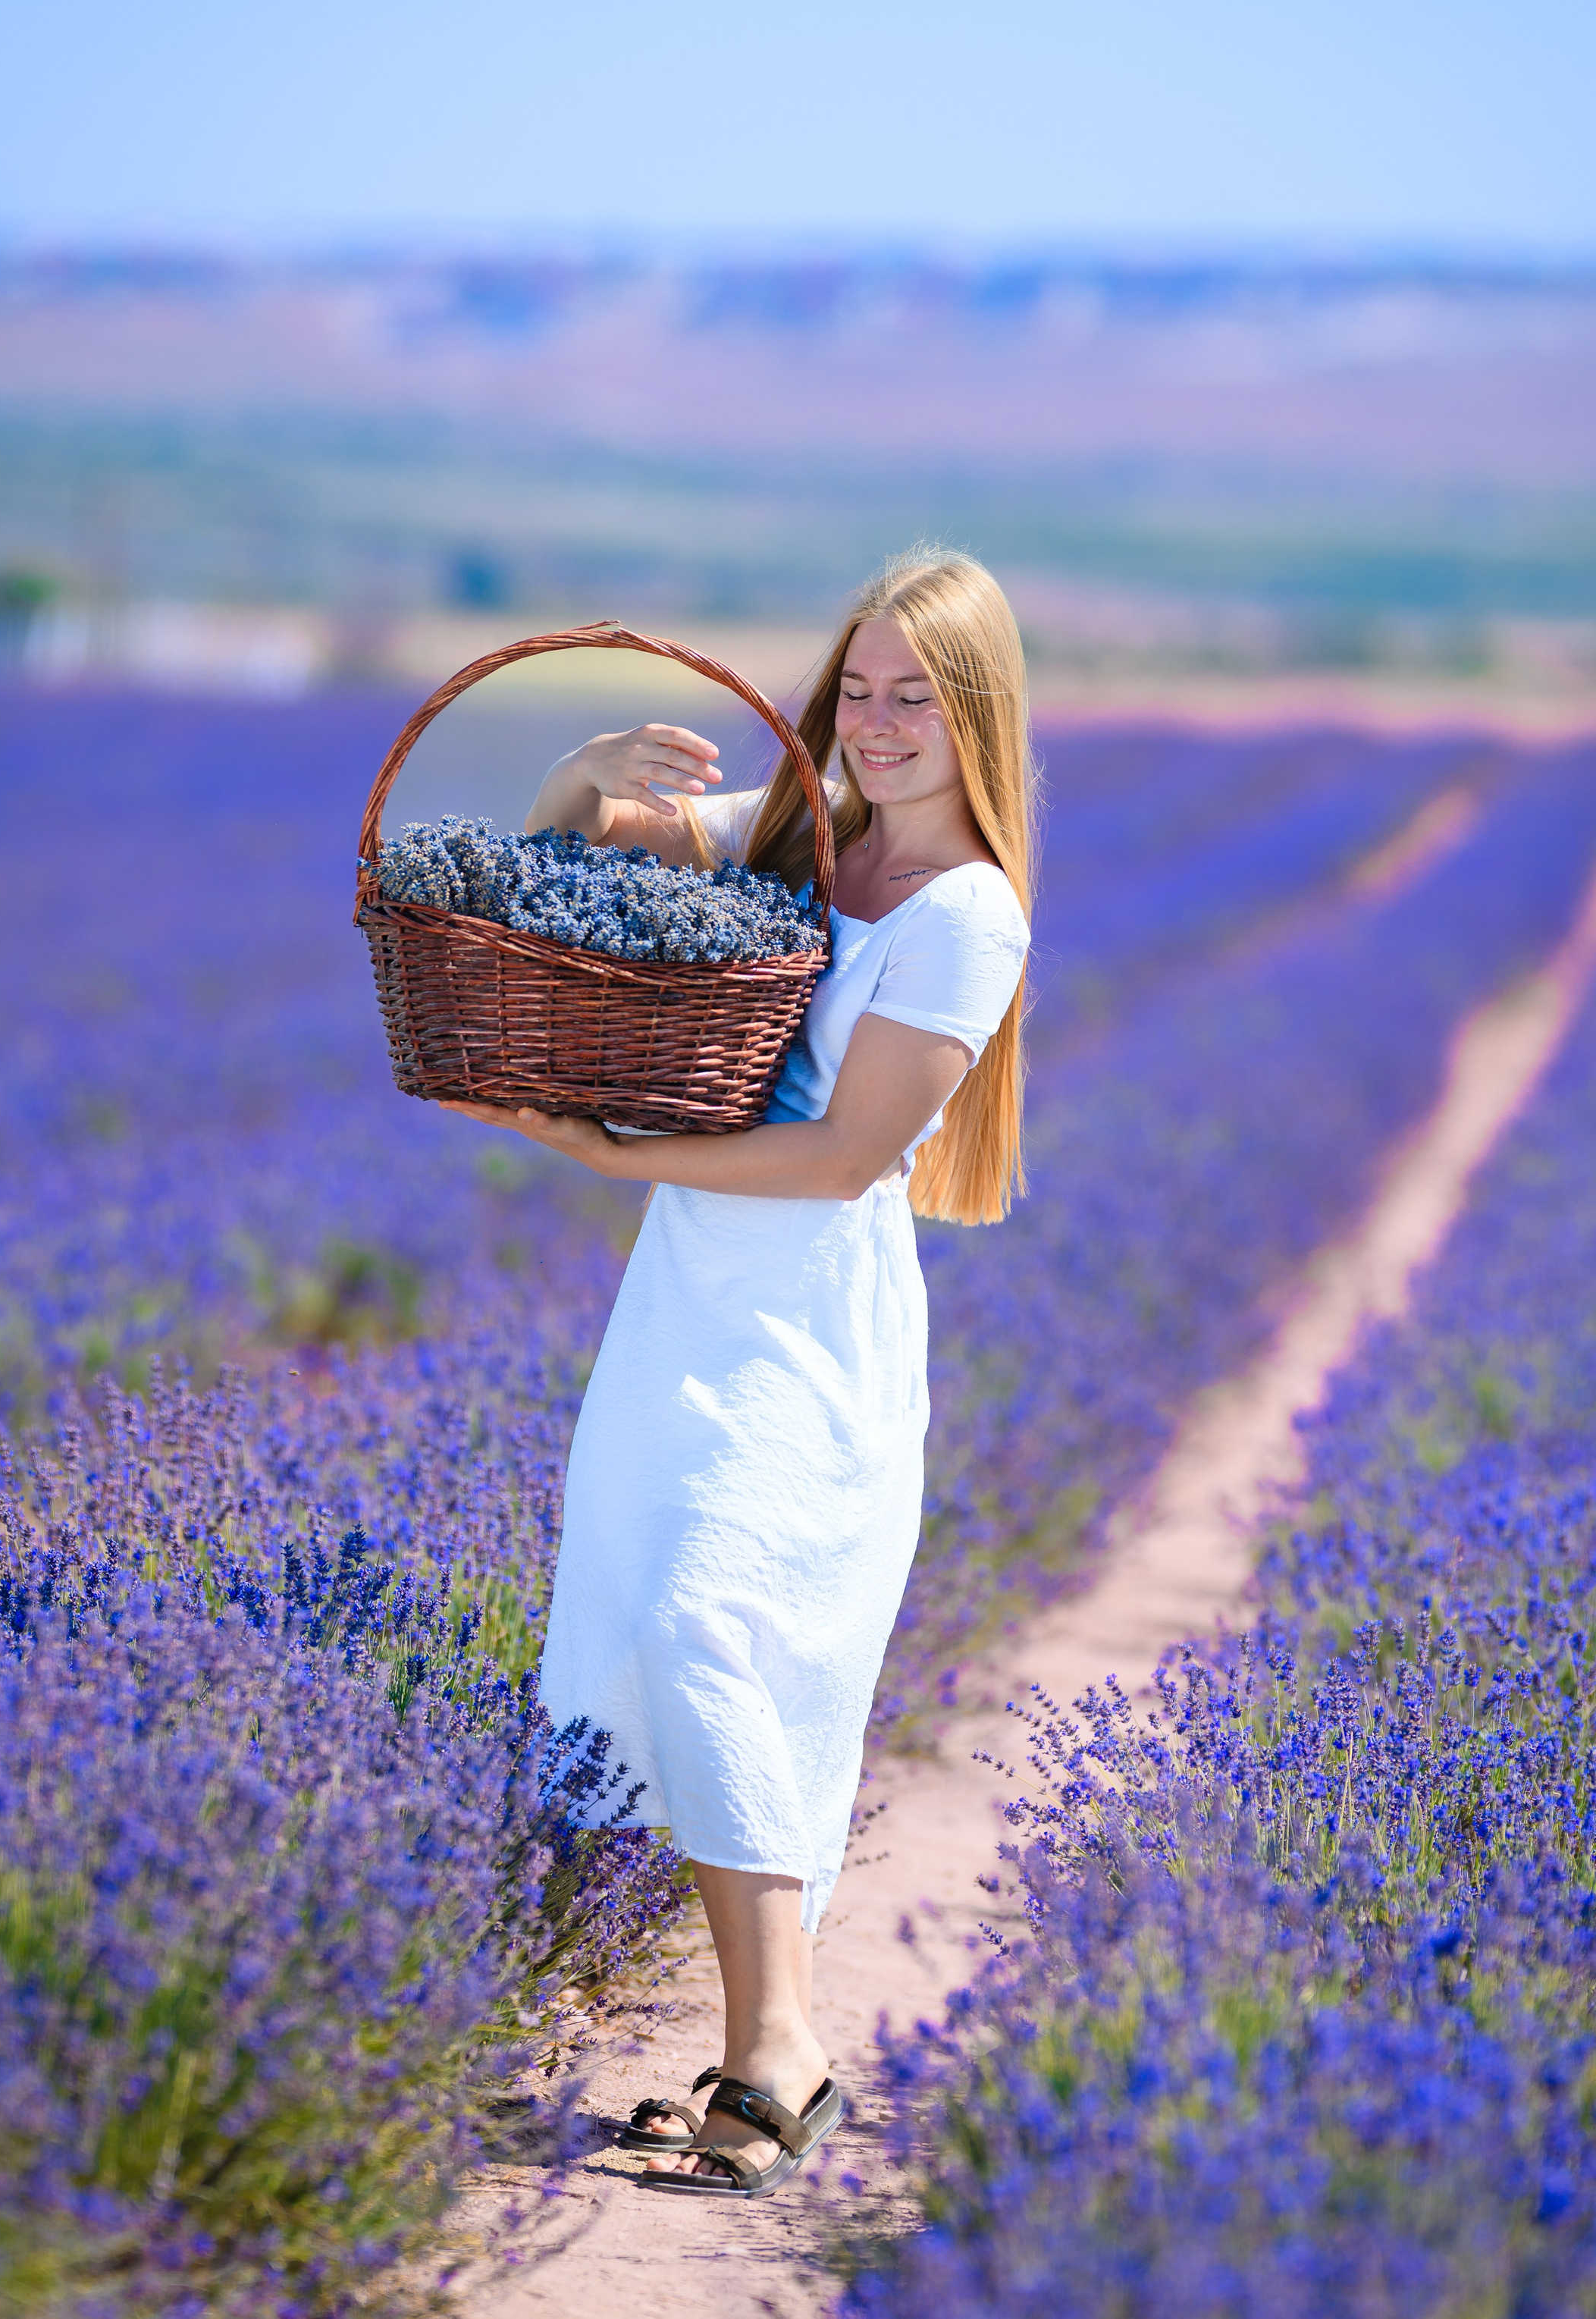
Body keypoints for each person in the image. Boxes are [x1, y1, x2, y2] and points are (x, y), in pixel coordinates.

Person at [442, 548, 1036, 2197]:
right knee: (654, 1626)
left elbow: (849, 1156)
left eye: (919, 692)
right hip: (683, 1312)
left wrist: (616, 1154)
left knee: (715, 1623)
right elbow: (536, 892)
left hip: (803, 1328)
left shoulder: (966, 913)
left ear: (979, 711)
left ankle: (783, 2043)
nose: (882, 719)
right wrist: (576, 781)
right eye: (861, 686)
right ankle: (759, 2039)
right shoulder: (796, 838)